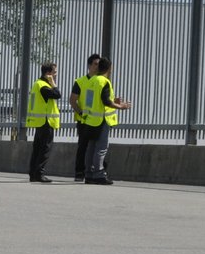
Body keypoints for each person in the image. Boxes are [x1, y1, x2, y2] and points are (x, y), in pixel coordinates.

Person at [80, 57, 131, 186]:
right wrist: (121, 106)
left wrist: (114, 101)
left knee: (91, 148)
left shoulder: (92, 80)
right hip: (102, 119)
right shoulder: (104, 82)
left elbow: (93, 100)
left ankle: (89, 174)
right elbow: (105, 101)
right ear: (109, 68)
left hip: (90, 119)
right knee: (101, 148)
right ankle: (99, 174)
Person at [25, 61, 63, 183]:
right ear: (48, 73)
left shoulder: (38, 83)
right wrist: (54, 84)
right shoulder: (44, 86)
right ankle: (39, 174)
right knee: (44, 149)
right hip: (46, 121)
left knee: (37, 148)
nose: (56, 75)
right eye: (55, 72)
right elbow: (57, 95)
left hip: (40, 121)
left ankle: (33, 174)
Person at [70, 53, 102, 183]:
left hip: (97, 120)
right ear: (89, 65)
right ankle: (79, 172)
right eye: (95, 64)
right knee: (83, 146)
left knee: (97, 147)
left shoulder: (101, 81)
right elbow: (72, 100)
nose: (97, 67)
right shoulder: (80, 81)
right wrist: (81, 113)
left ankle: (95, 172)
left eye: (99, 65)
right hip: (84, 120)